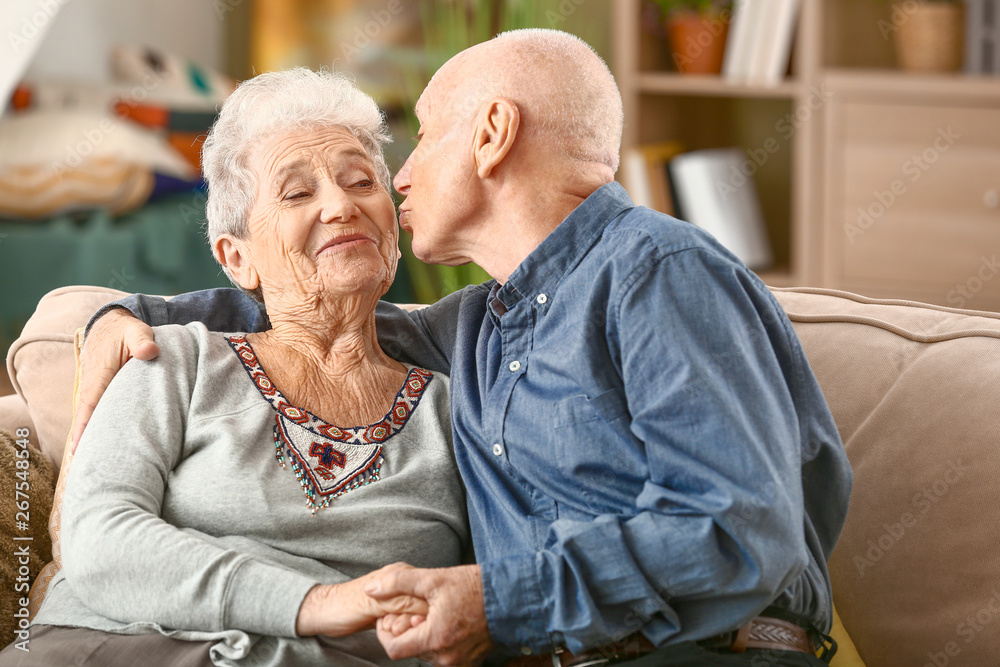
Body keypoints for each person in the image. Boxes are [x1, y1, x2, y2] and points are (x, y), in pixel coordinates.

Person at [70, 29, 852, 667]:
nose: (400, 177)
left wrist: (496, 600)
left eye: (424, 136)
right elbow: (304, 302)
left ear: (491, 134)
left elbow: (740, 530)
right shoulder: (475, 327)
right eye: (302, 190)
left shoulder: (656, 272)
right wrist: (113, 313)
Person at [0, 68, 469, 667]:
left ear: (394, 233)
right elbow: (97, 540)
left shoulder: (457, 409)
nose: (341, 205)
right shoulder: (170, 361)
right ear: (238, 257)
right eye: (297, 193)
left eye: (360, 181)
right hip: (110, 650)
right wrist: (316, 600)